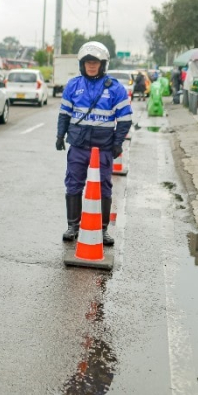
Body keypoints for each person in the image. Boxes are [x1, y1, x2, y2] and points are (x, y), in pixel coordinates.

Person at [56, 42, 133, 246]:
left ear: (103, 64)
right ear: (82, 64)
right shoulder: (73, 86)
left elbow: (125, 119)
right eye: (88, 62)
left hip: (103, 149)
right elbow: (64, 114)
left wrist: (118, 144)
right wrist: (59, 135)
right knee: (73, 184)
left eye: (95, 62)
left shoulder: (115, 88)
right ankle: (73, 226)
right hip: (78, 147)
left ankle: (103, 229)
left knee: (104, 188)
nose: (91, 66)